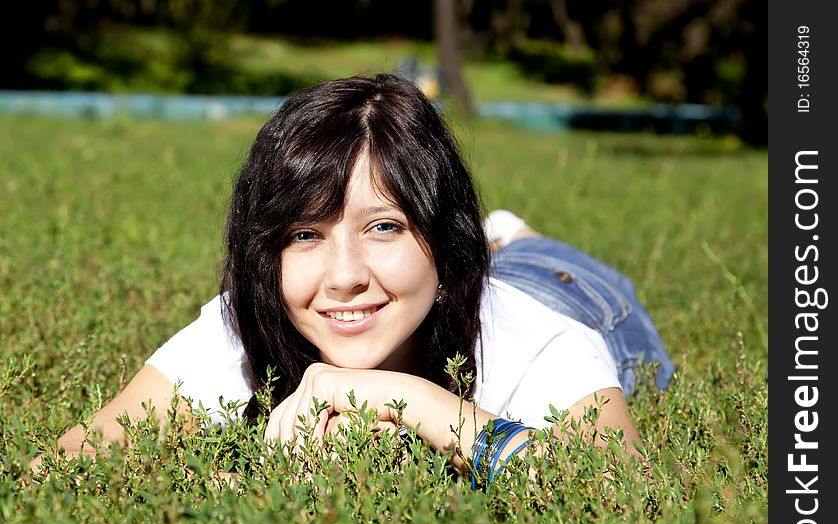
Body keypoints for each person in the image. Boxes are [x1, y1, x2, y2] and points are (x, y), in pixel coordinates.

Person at [32, 74, 674, 482]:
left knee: (537, 263)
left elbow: (622, 496)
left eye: (384, 227)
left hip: (571, 293)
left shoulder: (545, 343)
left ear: (441, 240)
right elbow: (63, 467)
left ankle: (510, 235)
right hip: (439, 285)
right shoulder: (244, 326)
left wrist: (406, 399)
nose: (343, 277)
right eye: (306, 234)